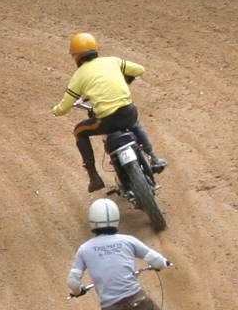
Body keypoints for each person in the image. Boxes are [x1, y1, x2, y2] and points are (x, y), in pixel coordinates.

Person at [51, 32, 166, 193]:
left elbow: (64, 107)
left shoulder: (79, 76)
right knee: (135, 122)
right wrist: (124, 82)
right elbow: (139, 70)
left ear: (76, 56)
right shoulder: (113, 61)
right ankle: (154, 158)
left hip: (107, 121)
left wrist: (55, 111)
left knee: (79, 132)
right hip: (128, 112)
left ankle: (94, 176)